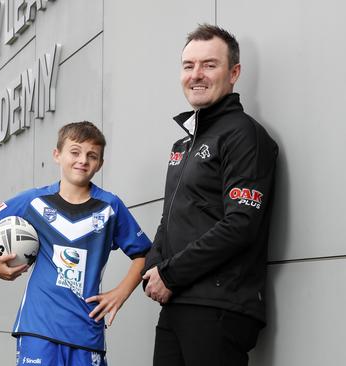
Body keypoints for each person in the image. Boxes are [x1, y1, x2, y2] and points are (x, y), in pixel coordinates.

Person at [142, 24, 279, 366]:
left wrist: (170, 274)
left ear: (234, 73)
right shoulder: (184, 144)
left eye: (209, 65)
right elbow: (170, 218)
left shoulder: (244, 135)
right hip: (177, 303)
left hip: (219, 307)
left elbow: (240, 223)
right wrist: (153, 268)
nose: (196, 75)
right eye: (188, 66)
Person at [0, 121, 152, 366]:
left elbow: (144, 254)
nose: (82, 160)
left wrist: (121, 293)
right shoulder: (34, 200)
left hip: (86, 330)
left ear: (100, 164)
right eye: (74, 152)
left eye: (92, 155)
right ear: (57, 155)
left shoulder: (110, 207)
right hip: (38, 327)